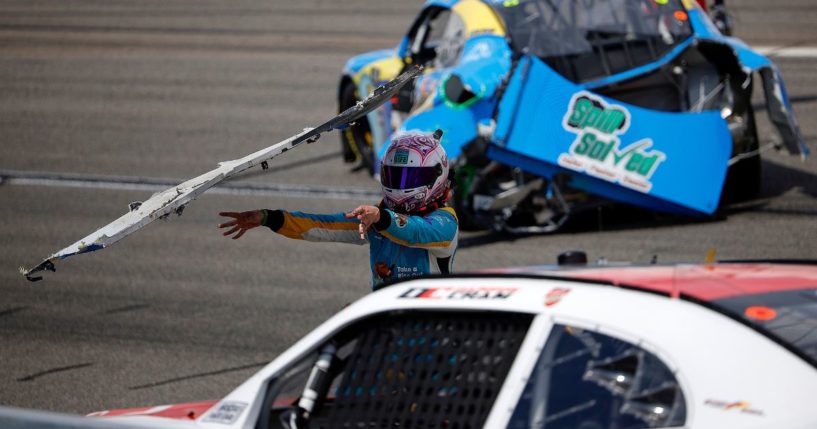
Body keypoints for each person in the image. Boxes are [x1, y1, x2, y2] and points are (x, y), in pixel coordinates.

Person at [218, 130, 458, 288]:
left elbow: (416, 233)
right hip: (387, 328)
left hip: (430, 333)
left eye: (411, 177)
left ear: (437, 176)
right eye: (394, 176)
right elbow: (322, 226)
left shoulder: (446, 222)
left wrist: (381, 218)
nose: (400, 185)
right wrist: (268, 218)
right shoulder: (376, 218)